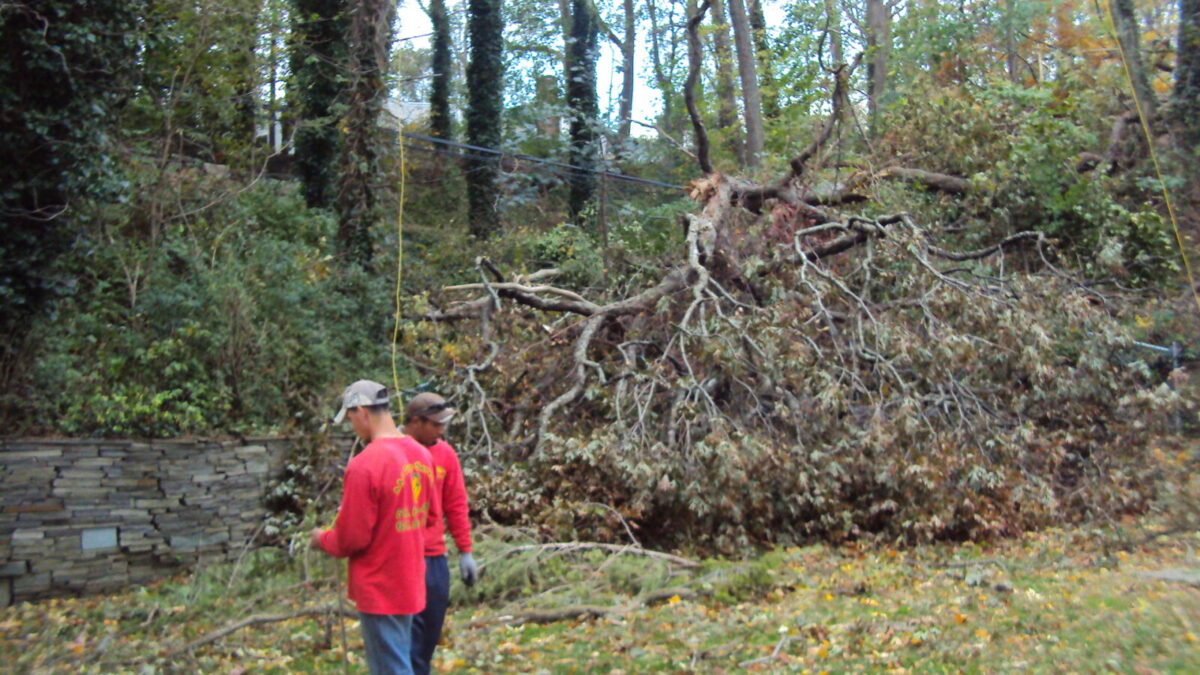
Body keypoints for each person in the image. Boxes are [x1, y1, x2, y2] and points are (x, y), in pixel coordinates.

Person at [311, 380, 438, 675]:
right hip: (410, 579)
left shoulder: (364, 464)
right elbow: (430, 517)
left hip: (380, 585)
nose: (353, 426)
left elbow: (351, 539)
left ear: (361, 412)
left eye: (351, 418)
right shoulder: (422, 455)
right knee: (400, 657)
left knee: (391, 668)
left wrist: (322, 539)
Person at [403, 392, 479, 675]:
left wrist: (466, 552)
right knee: (405, 640)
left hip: (434, 559)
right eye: (435, 424)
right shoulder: (393, 450)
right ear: (415, 422)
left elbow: (456, 504)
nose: (441, 430)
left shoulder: (445, 453)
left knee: (427, 639)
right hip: (401, 558)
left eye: (443, 424)